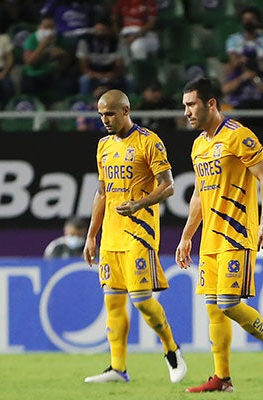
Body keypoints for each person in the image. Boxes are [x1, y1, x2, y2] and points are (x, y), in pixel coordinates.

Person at [176, 77, 263, 393]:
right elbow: (199, 195)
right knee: (214, 306)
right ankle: (221, 378)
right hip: (210, 238)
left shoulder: (239, 136)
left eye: (191, 104)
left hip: (237, 233)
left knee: (227, 303)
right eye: (184, 105)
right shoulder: (199, 145)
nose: (186, 111)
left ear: (210, 103)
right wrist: (187, 236)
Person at [82, 89, 187, 384]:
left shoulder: (149, 142)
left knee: (141, 300)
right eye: (101, 115)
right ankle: (118, 368)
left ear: (126, 111)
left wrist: (140, 203)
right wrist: (91, 235)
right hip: (111, 237)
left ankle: (172, 349)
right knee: (113, 303)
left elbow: (168, 186)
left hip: (139, 234)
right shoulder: (103, 146)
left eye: (110, 114)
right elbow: (102, 193)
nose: (105, 120)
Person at [21, 15, 76, 106]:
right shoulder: (31, 39)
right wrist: (44, 45)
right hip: (34, 75)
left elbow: (66, 63)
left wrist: (62, 54)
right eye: (46, 27)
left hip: (53, 74)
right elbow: (29, 62)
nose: (49, 30)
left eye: (52, 27)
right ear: (39, 27)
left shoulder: (59, 39)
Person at [76, 18, 127, 96]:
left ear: (108, 31)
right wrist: (97, 75)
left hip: (111, 72)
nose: (99, 33)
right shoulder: (85, 41)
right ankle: (84, 100)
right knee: (84, 80)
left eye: (103, 30)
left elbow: (120, 66)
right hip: (93, 72)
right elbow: (84, 67)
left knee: (128, 80)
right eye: (97, 30)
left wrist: (112, 75)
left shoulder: (117, 42)